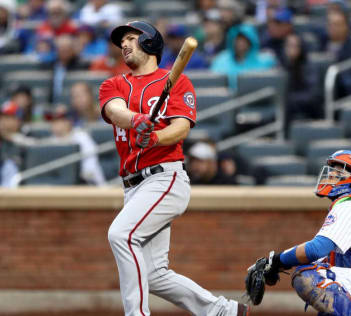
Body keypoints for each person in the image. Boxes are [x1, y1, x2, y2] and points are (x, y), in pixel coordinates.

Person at [99, 21, 249, 316]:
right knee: (154, 274)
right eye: (122, 41)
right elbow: (113, 110)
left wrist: (153, 136)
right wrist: (136, 121)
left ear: (150, 43)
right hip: (132, 185)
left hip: (164, 177)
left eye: (132, 38)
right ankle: (223, 311)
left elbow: (180, 129)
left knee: (121, 235)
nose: (125, 44)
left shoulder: (177, 81)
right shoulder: (114, 83)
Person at [249, 150, 351, 315]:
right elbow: (316, 256)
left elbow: (315, 249)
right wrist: (273, 266)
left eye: (338, 170)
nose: (330, 175)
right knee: (322, 282)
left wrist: (277, 260)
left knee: (308, 276)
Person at [44, 105, 106, 185]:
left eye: (59, 120)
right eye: (53, 121)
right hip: (61, 186)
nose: (55, 125)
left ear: (69, 121)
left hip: (89, 185)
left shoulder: (82, 137)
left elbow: (90, 167)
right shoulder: (51, 141)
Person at [210, 23, 276, 90]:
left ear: (251, 41)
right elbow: (214, 84)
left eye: (244, 40)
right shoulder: (221, 60)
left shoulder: (265, 61)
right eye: (238, 39)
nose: (241, 43)